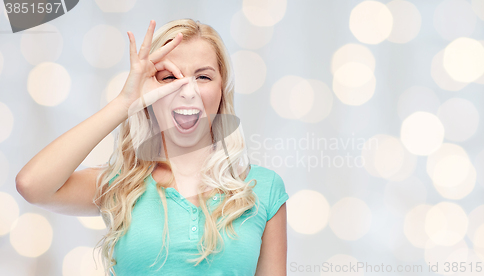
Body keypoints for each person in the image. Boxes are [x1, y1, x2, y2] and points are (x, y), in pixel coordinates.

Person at [16, 18, 289, 275]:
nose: (187, 90)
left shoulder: (262, 189)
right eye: (169, 78)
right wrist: (125, 102)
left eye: (203, 77)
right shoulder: (121, 185)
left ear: (221, 91)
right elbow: (32, 184)